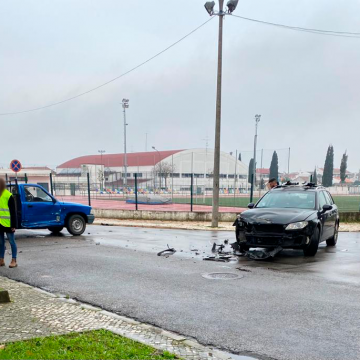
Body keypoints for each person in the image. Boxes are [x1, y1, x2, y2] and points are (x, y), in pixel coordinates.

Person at [0, 178, 17, 268]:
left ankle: (14, 260)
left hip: (8, 223)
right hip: (0, 223)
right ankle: (1, 259)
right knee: (0, 242)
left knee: (11, 241)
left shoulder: (8, 195)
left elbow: (13, 211)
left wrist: (13, 225)